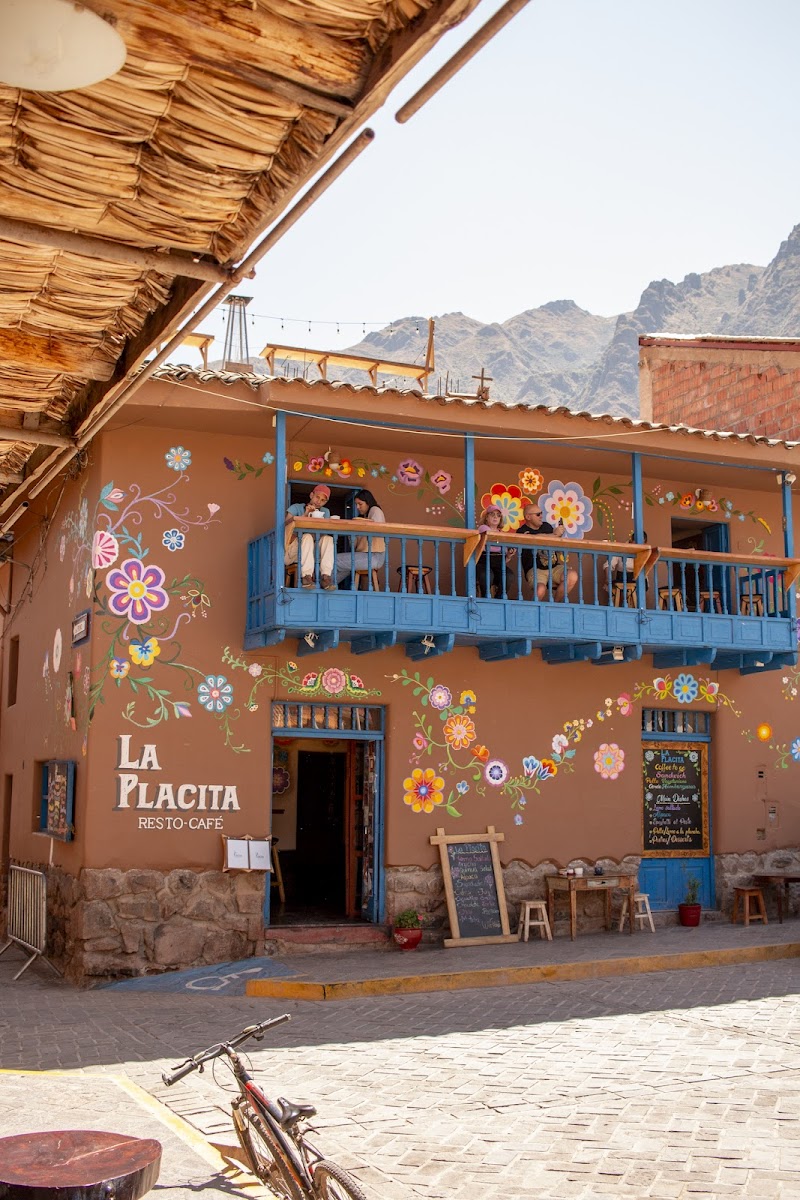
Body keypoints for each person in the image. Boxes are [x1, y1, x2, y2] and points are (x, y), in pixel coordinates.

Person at [518, 502, 577, 601]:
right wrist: (554, 535)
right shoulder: (521, 531)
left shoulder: (546, 526)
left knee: (572, 576)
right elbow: (531, 538)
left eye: (541, 513)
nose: (541, 516)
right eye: (538, 514)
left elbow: (554, 543)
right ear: (528, 517)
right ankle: (532, 611)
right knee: (540, 590)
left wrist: (559, 536)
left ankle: (555, 605)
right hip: (535, 570)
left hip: (553, 567)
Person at [285, 484, 335, 589]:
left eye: (323, 500)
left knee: (328, 539)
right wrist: (305, 515)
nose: (319, 502)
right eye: (317, 497)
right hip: (292, 551)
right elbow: (286, 525)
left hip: (312, 552)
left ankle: (326, 577)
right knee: (307, 536)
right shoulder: (296, 507)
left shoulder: (325, 512)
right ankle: (306, 577)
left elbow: (323, 533)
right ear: (311, 495)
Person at [335, 488, 386, 586]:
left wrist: (360, 524)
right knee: (343, 566)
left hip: (374, 556)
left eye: (360, 504)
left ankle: (321, 586)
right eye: (356, 504)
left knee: (334, 560)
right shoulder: (365, 516)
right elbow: (354, 545)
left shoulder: (375, 510)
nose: (357, 507)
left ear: (368, 502)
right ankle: (327, 586)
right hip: (366, 555)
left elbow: (378, 529)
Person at [475, 504, 517, 598]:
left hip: (498, 563)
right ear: (486, 518)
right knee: (487, 575)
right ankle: (486, 597)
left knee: (509, 576)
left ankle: (499, 598)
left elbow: (504, 560)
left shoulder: (501, 534)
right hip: (484, 560)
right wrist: (503, 538)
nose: (495, 517)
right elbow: (488, 533)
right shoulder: (483, 528)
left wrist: (509, 555)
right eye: (492, 514)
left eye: (498, 515)